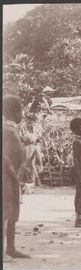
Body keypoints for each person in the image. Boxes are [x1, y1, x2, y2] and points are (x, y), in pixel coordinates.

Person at [2, 95, 31, 260]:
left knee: (13, 211)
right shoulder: (6, 130)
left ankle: (11, 248)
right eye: (21, 109)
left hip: (13, 177)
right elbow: (4, 156)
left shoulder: (12, 129)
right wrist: (14, 173)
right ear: (14, 111)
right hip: (7, 177)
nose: (22, 113)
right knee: (5, 212)